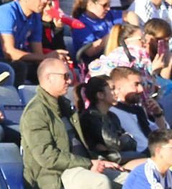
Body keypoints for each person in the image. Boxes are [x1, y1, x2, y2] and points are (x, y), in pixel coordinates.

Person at [22, 57, 123, 189]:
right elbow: (47, 157)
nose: (69, 81)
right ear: (48, 78)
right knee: (100, 183)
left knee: (131, 179)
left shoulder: (65, 106)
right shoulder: (36, 112)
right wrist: (88, 164)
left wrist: (99, 162)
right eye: (65, 76)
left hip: (80, 165)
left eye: (69, 76)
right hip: (54, 175)